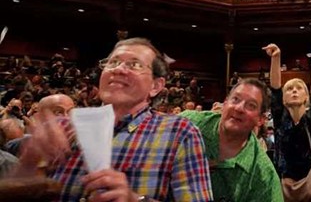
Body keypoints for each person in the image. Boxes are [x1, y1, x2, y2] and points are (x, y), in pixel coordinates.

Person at [12, 37, 213, 202]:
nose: (118, 69)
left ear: (155, 86)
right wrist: (28, 164)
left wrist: (134, 200)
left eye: (134, 64)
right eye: (113, 62)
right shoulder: (62, 127)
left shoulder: (179, 132)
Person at [181, 78, 283, 202]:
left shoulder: (264, 176)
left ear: (261, 119)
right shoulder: (187, 124)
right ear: (224, 104)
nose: (239, 108)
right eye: (236, 99)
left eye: (251, 105)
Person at [264, 39, 311, 201]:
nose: (294, 91)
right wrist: (276, 57)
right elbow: (275, 87)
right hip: (283, 184)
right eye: (289, 89)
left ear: (306, 97)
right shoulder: (280, 117)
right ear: (283, 98)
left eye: (299, 88)